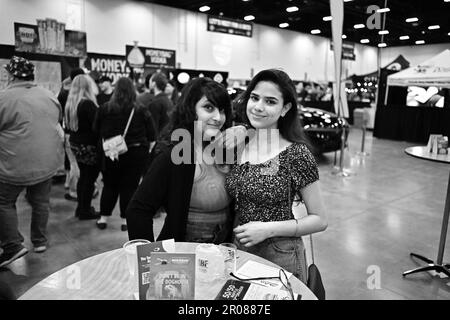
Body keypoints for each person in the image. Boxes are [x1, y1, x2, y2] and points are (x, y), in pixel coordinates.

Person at [225, 69, 328, 283]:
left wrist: (267, 229)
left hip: (280, 253)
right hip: (239, 248)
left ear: (285, 108)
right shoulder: (241, 142)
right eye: (254, 98)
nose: (258, 107)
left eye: (270, 101)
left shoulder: (296, 154)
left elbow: (320, 220)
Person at [126, 77, 237, 243]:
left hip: (222, 251)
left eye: (222, 110)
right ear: (190, 109)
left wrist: (244, 128)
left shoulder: (224, 148)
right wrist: (148, 259)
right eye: (208, 108)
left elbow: (261, 118)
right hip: (184, 253)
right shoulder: (178, 153)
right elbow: (138, 210)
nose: (218, 117)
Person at [0, 56, 64, 266]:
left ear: (11, 75)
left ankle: (12, 246)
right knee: (40, 203)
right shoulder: (49, 96)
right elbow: (56, 122)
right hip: (46, 164)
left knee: (3, 202)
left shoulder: (4, 98)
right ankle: (39, 241)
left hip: (13, 167)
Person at [94, 77, 156, 231]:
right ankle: (125, 221)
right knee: (130, 187)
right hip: (136, 154)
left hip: (111, 153)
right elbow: (152, 135)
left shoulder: (104, 108)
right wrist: (146, 150)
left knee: (109, 185)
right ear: (132, 90)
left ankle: (103, 218)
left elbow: (95, 129)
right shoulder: (141, 109)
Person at [65, 74, 101, 220]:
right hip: (89, 145)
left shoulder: (71, 103)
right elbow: (97, 125)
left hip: (75, 144)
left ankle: (81, 208)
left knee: (84, 177)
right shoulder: (88, 104)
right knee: (89, 179)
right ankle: (85, 210)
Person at [147, 72, 171, 136]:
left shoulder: (154, 103)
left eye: (150, 81)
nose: (149, 83)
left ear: (154, 84)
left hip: (159, 140)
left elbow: (153, 128)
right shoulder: (169, 101)